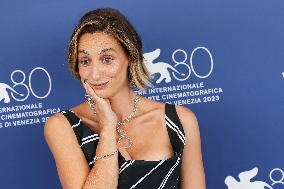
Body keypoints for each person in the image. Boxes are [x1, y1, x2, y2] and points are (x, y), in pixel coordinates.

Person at [44, 8, 206, 189]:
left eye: (107, 59)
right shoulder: (62, 126)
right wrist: (107, 129)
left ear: (130, 57)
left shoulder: (180, 120)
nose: (95, 74)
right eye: (85, 61)